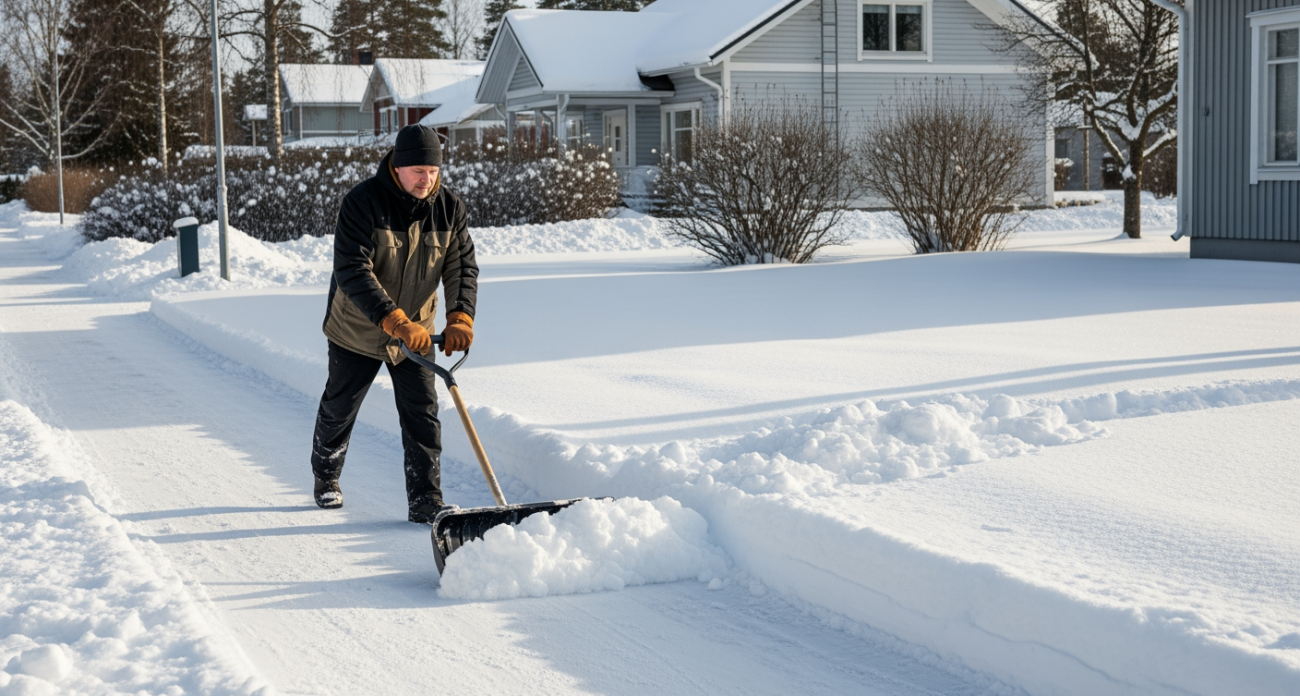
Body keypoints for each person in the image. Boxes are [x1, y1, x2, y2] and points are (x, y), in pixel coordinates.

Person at [310, 124, 478, 523]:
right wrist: (394, 320)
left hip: (416, 333)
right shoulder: (362, 202)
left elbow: (461, 266)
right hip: (357, 328)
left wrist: (460, 316)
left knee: (423, 415)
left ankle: (426, 500)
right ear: (398, 167)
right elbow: (353, 269)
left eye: (433, 171)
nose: (427, 179)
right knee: (340, 408)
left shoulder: (449, 207)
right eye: (419, 170)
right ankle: (326, 477)